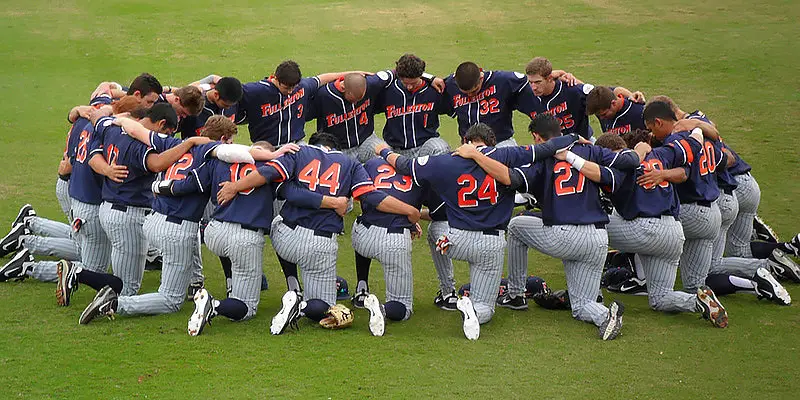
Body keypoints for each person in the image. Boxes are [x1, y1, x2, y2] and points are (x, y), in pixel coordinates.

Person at [378, 122, 581, 339]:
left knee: (435, 230)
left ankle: (447, 292)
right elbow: (547, 148)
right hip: (490, 245)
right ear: (491, 143)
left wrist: (383, 151)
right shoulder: (505, 154)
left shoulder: (447, 160)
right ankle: (473, 310)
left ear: (466, 141)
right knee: (485, 307)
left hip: (454, 242)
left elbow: (404, 165)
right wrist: (576, 136)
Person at [455, 115, 642, 340]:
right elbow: (631, 159)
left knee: (515, 225)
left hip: (565, 237)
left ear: (536, 137)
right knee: (583, 305)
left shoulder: (542, 159)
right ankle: (605, 316)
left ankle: (515, 295)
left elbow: (511, 179)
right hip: (598, 238)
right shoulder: (588, 151)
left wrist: (476, 155)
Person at [594, 131, 728, 327]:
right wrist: (698, 127)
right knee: (660, 298)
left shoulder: (615, 166)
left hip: (645, 230)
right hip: (674, 232)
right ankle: (696, 301)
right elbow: (693, 147)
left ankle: (591, 296)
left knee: (589, 229)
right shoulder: (660, 155)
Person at [378, 53, 451, 157]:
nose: (409, 87)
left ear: (420, 76)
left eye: (413, 83)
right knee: (375, 151)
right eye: (405, 83)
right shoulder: (388, 90)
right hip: (395, 150)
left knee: (441, 148)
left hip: (425, 147)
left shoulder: (434, 90)